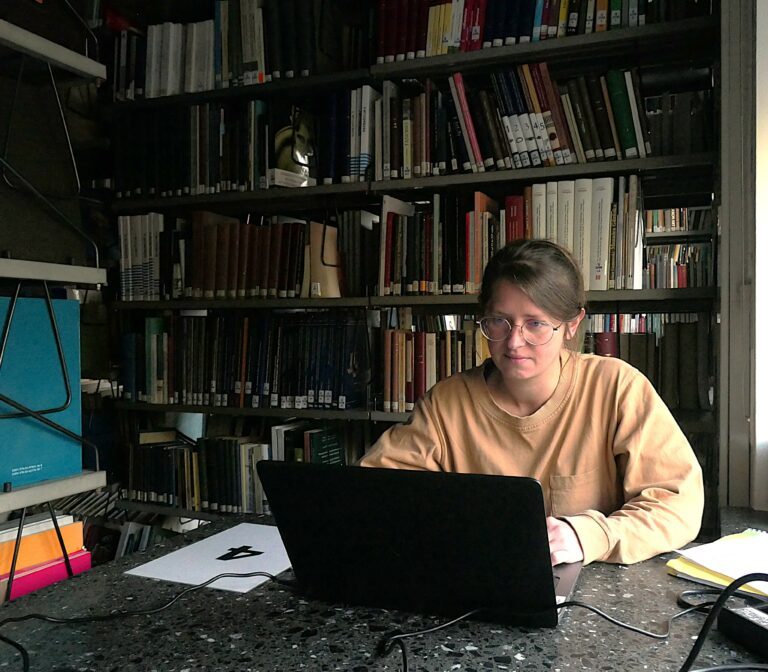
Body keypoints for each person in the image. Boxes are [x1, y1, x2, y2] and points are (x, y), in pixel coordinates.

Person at [359, 238, 704, 566]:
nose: (514, 342)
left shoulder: (617, 388)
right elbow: (371, 496)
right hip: (476, 580)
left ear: (571, 325)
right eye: (499, 321)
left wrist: (590, 535)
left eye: (535, 323)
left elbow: (678, 506)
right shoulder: (446, 404)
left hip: (588, 584)